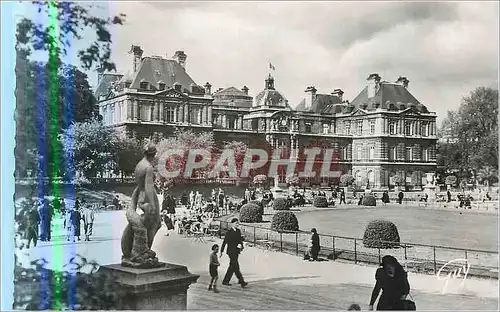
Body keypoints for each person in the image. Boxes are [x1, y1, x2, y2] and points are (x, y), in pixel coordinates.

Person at [220, 218, 248, 288]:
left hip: (236, 251)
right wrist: (221, 251)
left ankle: (226, 281)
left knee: (233, 266)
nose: (237, 224)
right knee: (234, 265)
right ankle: (241, 281)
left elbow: (239, 240)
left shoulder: (238, 231)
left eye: (238, 223)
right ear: (232, 224)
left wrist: (241, 245)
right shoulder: (229, 232)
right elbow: (224, 242)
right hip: (230, 252)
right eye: (236, 223)